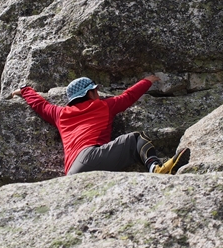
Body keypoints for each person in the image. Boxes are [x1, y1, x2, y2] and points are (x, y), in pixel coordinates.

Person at [11, 75, 190, 176]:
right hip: (92, 158)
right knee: (136, 139)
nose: (98, 93)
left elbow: (40, 105)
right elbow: (128, 97)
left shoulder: (60, 114)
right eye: (95, 90)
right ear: (89, 93)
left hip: (71, 172)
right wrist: (148, 80)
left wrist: (25, 90)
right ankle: (157, 169)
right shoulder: (103, 105)